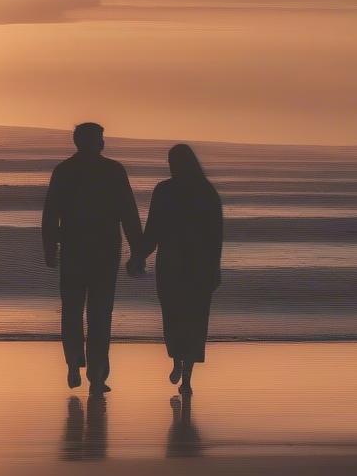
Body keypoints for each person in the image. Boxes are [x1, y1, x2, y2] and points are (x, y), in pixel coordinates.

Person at [42, 122, 142, 396]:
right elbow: (128, 213)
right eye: (101, 139)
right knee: (100, 315)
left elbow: (51, 213)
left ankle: (74, 363)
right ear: (97, 143)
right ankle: (97, 374)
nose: (103, 143)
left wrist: (50, 247)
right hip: (104, 252)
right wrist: (138, 250)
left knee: (72, 311)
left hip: (74, 250)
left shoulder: (64, 170)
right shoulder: (113, 170)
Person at [129, 143, 222, 396]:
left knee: (176, 318)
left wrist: (138, 255)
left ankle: (183, 369)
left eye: (173, 161)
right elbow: (215, 236)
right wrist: (138, 255)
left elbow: (153, 231)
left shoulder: (168, 191)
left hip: (175, 265)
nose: (171, 166)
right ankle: (183, 369)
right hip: (194, 265)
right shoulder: (205, 191)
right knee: (191, 319)